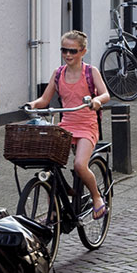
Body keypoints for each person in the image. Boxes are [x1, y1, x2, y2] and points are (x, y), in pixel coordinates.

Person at [24, 30, 110, 219]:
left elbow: (105, 94)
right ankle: (53, 209)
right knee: (49, 166)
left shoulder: (90, 72)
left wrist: (97, 101)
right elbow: (44, 100)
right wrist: (32, 105)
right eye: (64, 50)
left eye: (73, 51)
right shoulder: (58, 73)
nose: (68, 55)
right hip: (66, 124)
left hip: (87, 125)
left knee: (80, 165)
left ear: (83, 51)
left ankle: (96, 197)